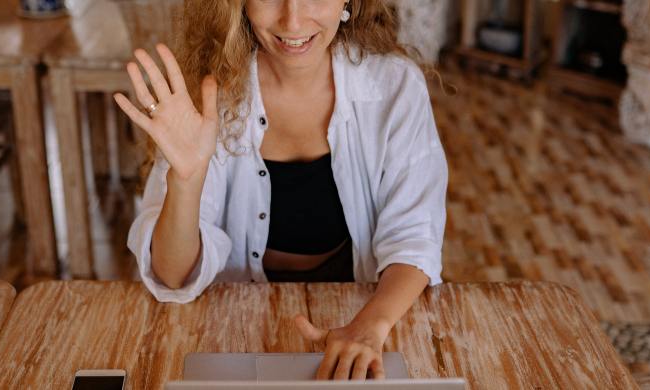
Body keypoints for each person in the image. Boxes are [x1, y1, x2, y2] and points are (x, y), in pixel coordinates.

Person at [115, 0, 448, 381]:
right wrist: (185, 181)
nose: (293, 20)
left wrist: (369, 326)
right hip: (230, 334)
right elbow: (171, 275)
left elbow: (414, 238)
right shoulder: (206, 94)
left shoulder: (395, 87)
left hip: (367, 319)